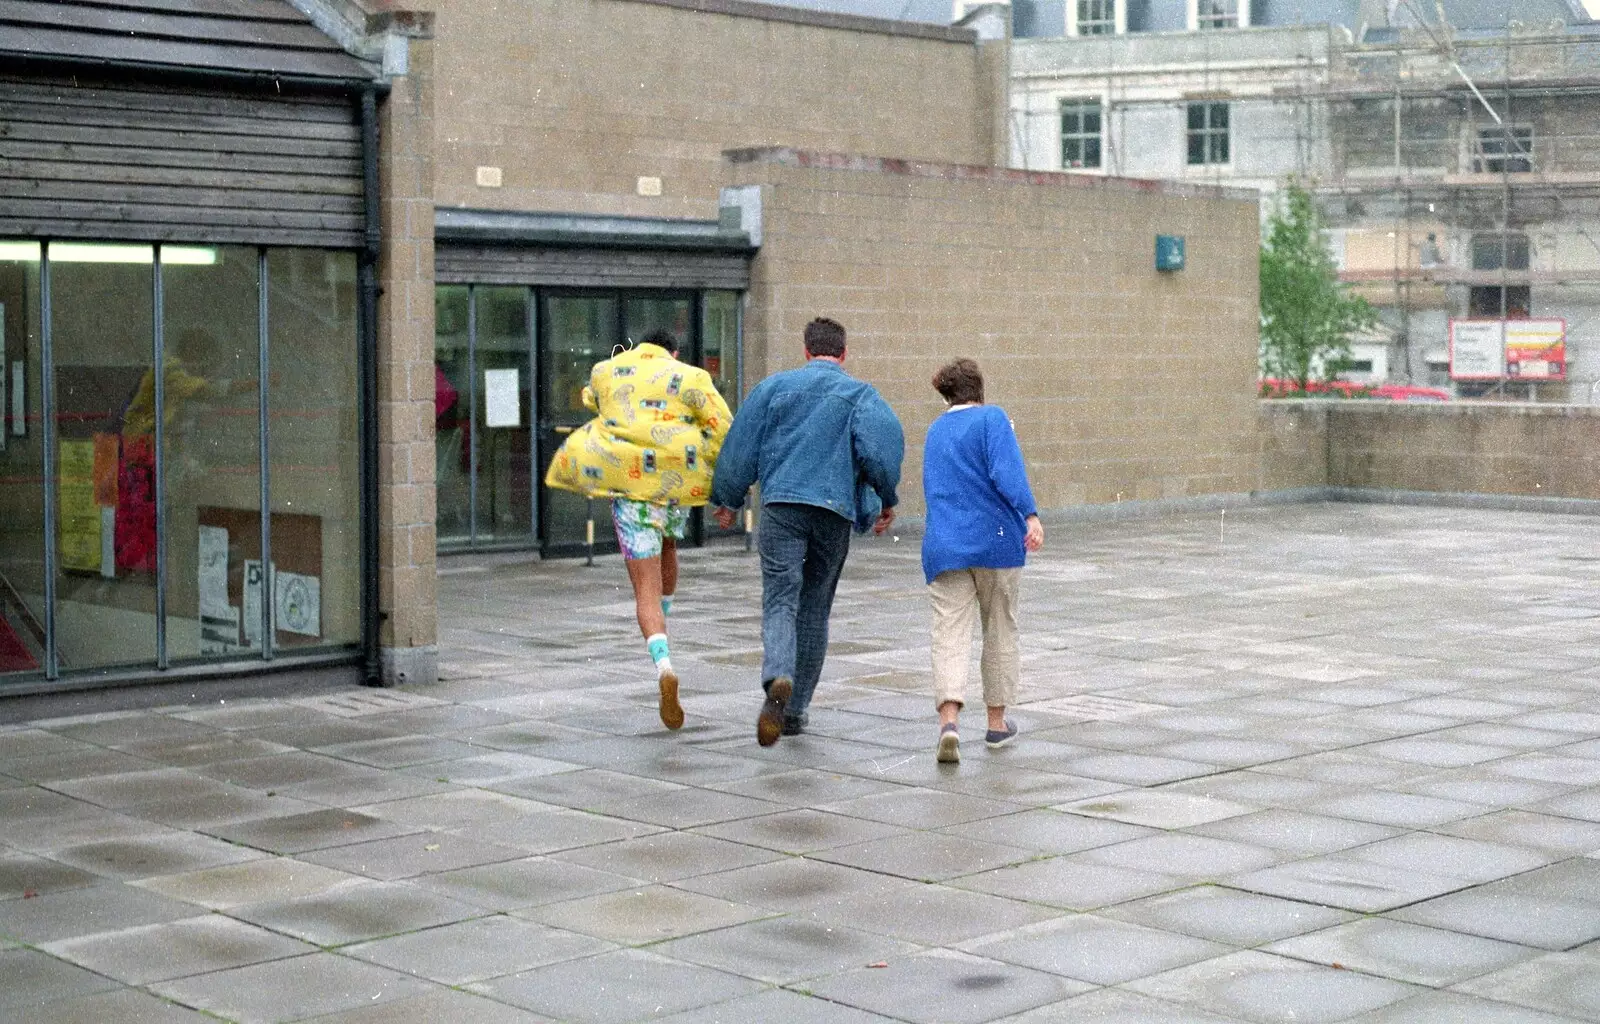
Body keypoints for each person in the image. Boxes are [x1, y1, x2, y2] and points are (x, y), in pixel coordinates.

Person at [711, 317, 904, 746]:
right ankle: (795, 711)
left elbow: (741, 446)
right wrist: (884, 498)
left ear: (805, 350)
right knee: (815, 606)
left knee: (780, 596)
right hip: (832, 513)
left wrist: (728, 498)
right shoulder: (861, 395)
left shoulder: (773, 389)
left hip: (781, 506)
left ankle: (778, 673)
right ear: (843, 353)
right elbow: (879, 452)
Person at [545, 329, 732, 730]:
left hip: (631, 490)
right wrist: (723, 486)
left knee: (643, 587)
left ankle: (664, 665)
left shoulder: (606, 370)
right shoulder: (692, 376)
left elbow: (589, 398)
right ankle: (666, 619)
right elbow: (722, 428)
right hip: (676, 487)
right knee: (669, 548)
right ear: (674, 352)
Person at [921, 357, 1043, 764]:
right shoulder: (992, 419)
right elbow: (1007, 472)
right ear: (979, 389)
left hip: (945, 547)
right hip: (997, 543)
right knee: (1000, 629)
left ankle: (949, 723)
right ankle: (995, 724)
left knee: (949, 634)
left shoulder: (936, 430)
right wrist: (1029, 514)